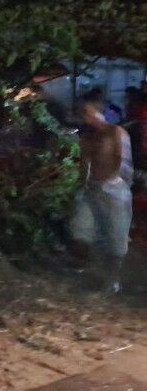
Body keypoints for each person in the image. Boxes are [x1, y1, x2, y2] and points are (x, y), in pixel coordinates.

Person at [77, 98, 133, 293]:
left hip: (115, 189)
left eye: (87, 111)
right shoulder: (87, 138)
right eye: (82, 113)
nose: (84, 116)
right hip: (93, 188)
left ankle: (113, 280)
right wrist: (81, 187)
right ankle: (94, 269)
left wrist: (117, 184)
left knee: (116, 238)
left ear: (99, 112)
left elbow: (124, 161)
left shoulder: (116, 132)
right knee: (81, 230)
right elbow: (84, 164)